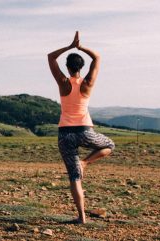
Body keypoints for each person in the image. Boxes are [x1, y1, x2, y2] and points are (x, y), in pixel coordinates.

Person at [47, 31, 115, 224]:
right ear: (81, 67)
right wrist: (80, 46)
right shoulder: (87, 83)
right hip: (85, 131)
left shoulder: (63, 83)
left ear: (68, 68)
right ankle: (86, 162)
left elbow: (51, 57)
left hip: (65, 134)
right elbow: (97, 57)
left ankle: (82, 217)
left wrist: (69, 46)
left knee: (75, 177)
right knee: (109, 145)